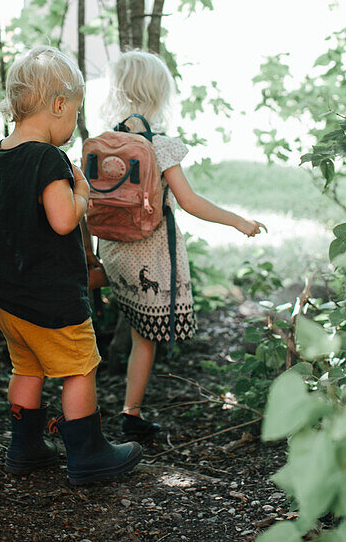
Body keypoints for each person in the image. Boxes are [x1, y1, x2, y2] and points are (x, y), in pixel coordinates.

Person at [0, 46, 142, 485]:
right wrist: (82, 194)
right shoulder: (49, 159)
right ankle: (88, 453)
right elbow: (63, 220)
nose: (72, 124)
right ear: (59, 105)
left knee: (25, 367)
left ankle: (25, 446)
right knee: (78, 367)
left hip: (5, 297)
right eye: (74, 113)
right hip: (51, 299)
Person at [97, 51, 266, 438]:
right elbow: (189, 202)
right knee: (145, 339)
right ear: (158, 96)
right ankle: (131, 414)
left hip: (112, 249)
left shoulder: (106, 143)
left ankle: (90, 410)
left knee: (118, 321)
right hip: (148, 251)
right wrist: (238, 221)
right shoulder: (160, 146)